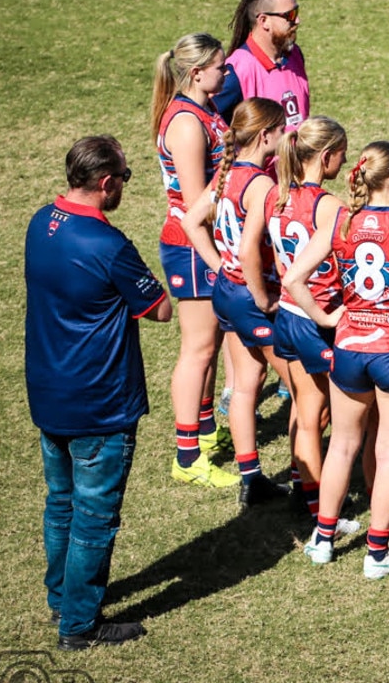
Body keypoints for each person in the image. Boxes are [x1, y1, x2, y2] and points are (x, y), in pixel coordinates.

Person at [27, 136, 171, 650]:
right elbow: (159, 309)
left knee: (60, 505)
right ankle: (79, 625)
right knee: (94, 518)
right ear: (106, 183)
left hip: (50, 395)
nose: (125, 187)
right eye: (126, 179)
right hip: (100, 404)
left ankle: (59, 600)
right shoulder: (109, 246)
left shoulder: (40, 221)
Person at [288, 141, 389, 579]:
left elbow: (293, 278)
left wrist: (326, 315)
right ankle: (377, 553)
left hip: (348, 347)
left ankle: (323, 540)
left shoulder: (341, 222)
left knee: (342, 445)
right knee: (388, 454)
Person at [181, 97, 293, 509]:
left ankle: (251, 478)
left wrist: (219, 265)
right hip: (250, 295)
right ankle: (307, 481)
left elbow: (192, 221)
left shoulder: (226, 174)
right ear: (266, 135)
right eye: (282, 131)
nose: (286, 138)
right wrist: (264, 298)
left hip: (225, 292)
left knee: (246, 386)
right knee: (304, 390)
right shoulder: (261, 184)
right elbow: (250, 251)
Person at [242, 116, 348, 524]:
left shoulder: (274, 196)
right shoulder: (329, 205)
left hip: (286, 312)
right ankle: (322, 508)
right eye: (341, 153)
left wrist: (263, 296)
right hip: (317, 315)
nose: (344, 160)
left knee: (306, 409)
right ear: (325, 157)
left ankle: (303, 490)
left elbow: (249, 247)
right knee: (325, 413)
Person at [151, 32, 236, 488]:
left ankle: (204, 432)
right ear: (196, 72)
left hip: (207, 242)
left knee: (212, 343)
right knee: (197, 349)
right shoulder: (186, 123)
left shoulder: (204, 108)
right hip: (192, 246)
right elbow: (192, 203)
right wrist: (214, 256)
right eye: (220, 67)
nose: (227, 73)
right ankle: (187, 457)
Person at [214, 0, 308, 129]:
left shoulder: (295, 55)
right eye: (290, 15)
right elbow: (203, 120)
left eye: (297, 12)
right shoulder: (236, 71)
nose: (297, 20)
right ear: (264, 21)